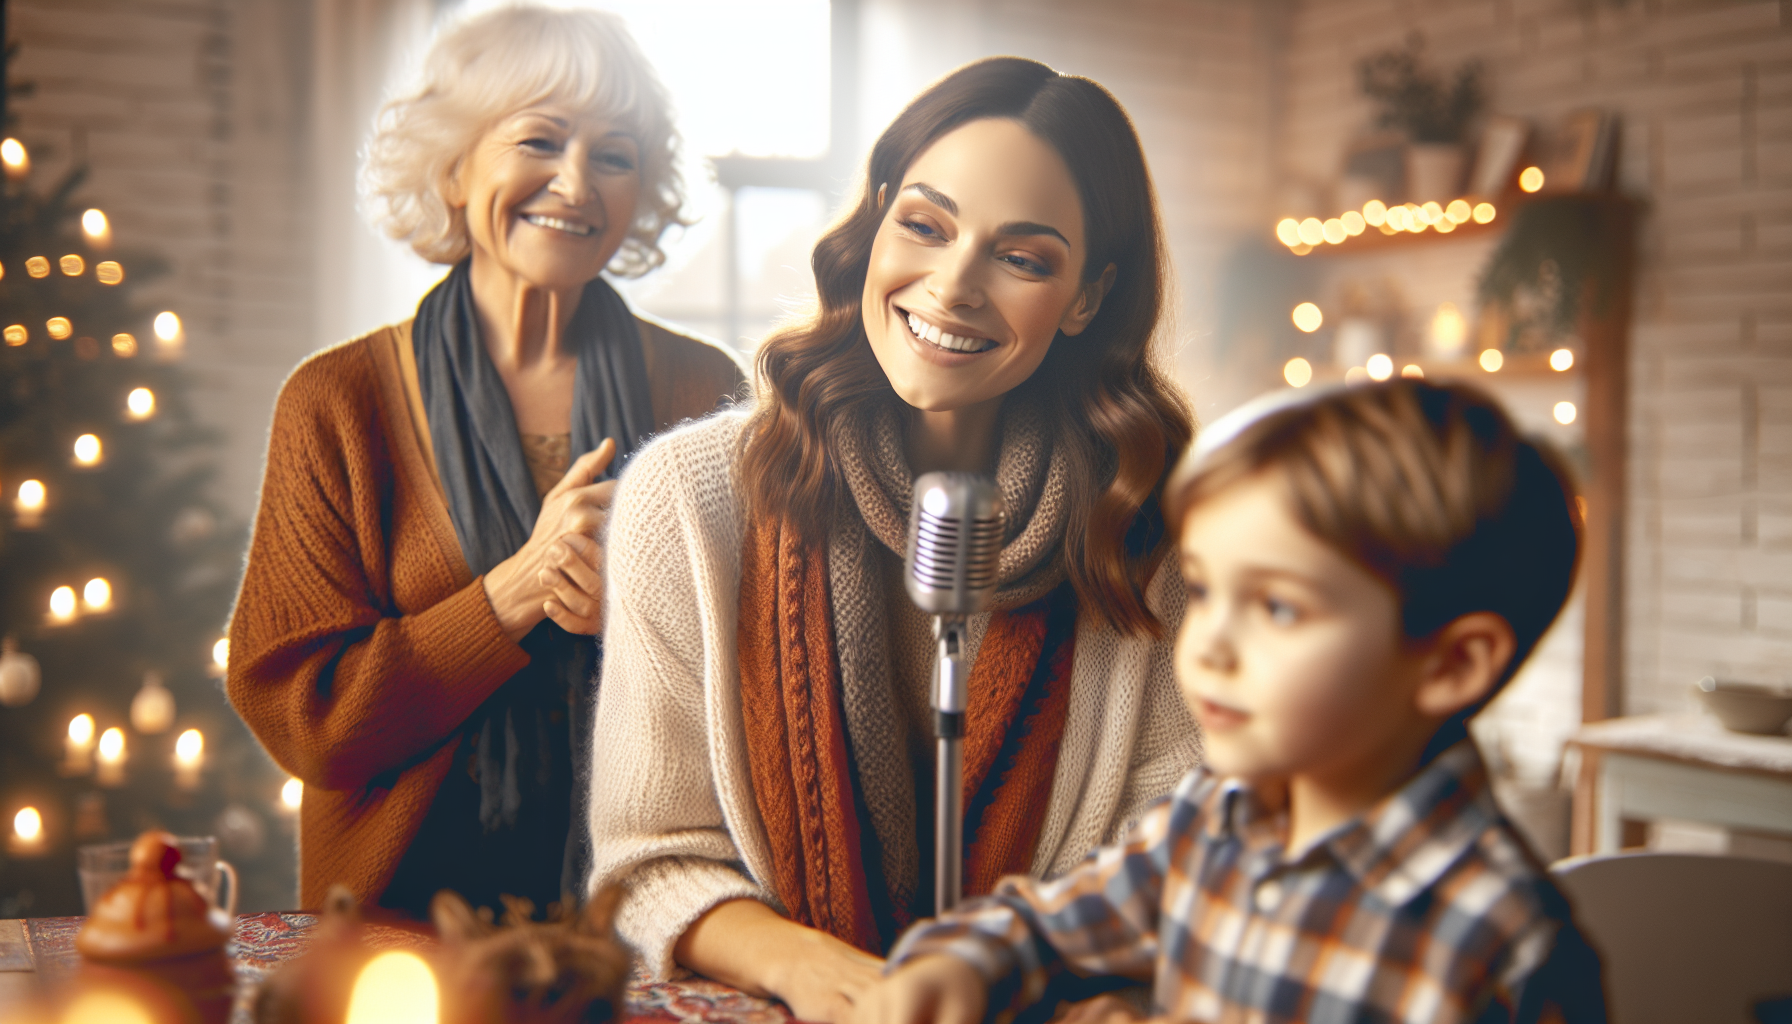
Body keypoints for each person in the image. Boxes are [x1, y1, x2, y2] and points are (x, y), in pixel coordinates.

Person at [586, 57, 1200, 1023]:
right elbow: (649, 862)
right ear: (876, 222)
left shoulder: (1148, 531)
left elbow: (1183, 854)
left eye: (1024, 258)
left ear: (1086, 296)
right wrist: (816, 973)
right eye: (924, 224)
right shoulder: (693, 503)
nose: (953, 286)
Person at [854, 379, 1609, 1024]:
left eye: (1278, 608)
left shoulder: (1503, 945)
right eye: (1207, 590)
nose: (1207, 644)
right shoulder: (1205, 825)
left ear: (1450, 664)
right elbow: (1046, 930)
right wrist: (964, 963)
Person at [225, 6, 743, 919]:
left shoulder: (706, 390)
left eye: (615, 155)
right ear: (455, 168)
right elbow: (310, 721)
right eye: (540, 140)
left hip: (648, 918)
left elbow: (769, 675)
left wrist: (633, 621)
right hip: (398, 929)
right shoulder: (335, 402)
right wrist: (512, 595)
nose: (576, 182)